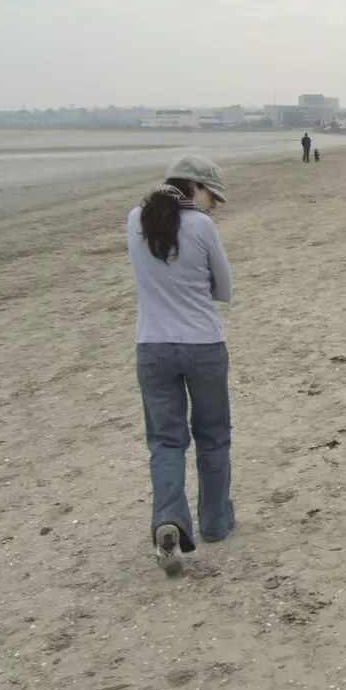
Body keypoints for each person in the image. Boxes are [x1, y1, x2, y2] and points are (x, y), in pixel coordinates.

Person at [125, 156, 236, 576]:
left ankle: (168, 520)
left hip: (151, 345)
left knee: (165, 442)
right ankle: (215, 522)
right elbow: (224, 289)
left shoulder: (135, 218)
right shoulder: (201, 226)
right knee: (213, 436)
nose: (214, 206)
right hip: (203, 344)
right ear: (194, 187)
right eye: (212, 196)